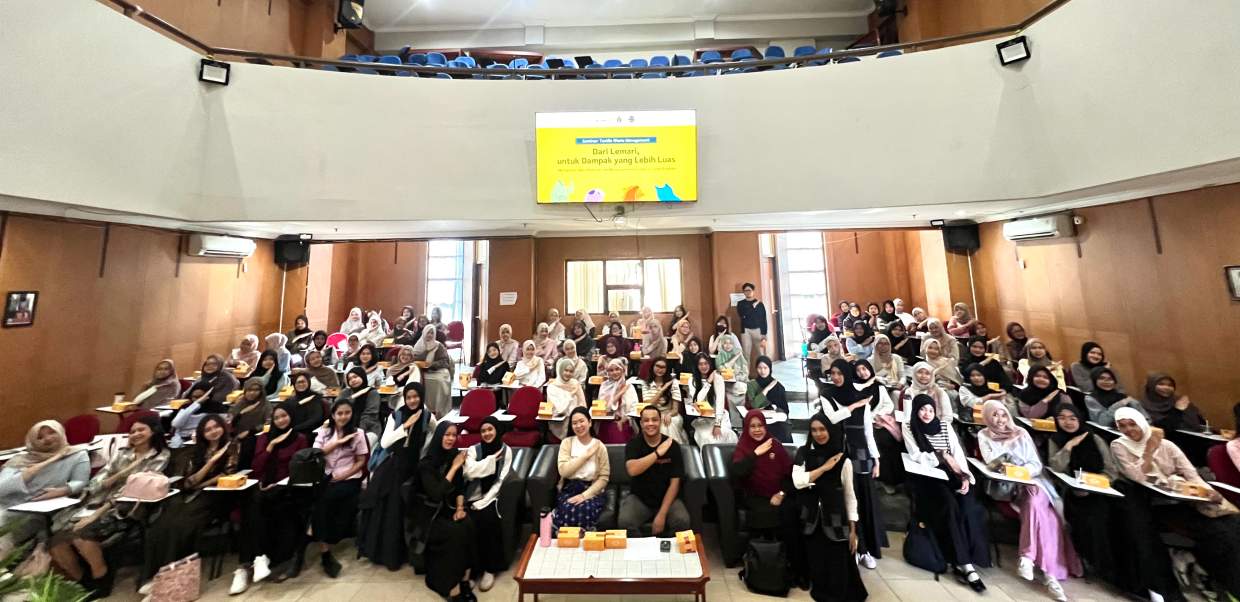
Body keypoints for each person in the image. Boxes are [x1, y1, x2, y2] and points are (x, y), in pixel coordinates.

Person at [1047, 403, 1183, 601]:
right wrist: (1068, 447)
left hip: (1106, 491)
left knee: (1129, 525)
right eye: (1062, 418)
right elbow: (1056, 468)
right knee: (1095, 522)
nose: (1067, 422)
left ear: (1080, 419)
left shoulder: (1094, 438)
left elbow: (1110, 470)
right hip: (1076, 494)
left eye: (1072, 418)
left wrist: (1097, 483)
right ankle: (1111, 574)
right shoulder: (1055, 440)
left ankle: (1146, 583)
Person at [1111, 408, 1240, 599]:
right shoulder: (1119, 446)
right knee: (1217, 533)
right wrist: (1149, 449)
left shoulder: (1167, 445)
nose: (1129, 430)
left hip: (1184, 501)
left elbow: (1190, 473)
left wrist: (1208, 492)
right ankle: (1223, 581)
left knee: (1232, 525)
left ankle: (1223, 579)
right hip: (1151, 504)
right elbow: (1137, 476)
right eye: (1122, 426)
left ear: (1142, 423)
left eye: (1132, 424)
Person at [48, 415, 169, 598]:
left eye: (141, 430)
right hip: (98, 501)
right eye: (132, 431)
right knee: (56, 542)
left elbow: (133, 489)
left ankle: (101, 577)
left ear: (153, 431)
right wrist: (105, 482)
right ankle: (82, 583)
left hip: (127, 507)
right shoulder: (123, 453)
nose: (136, 434)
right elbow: (100, 479)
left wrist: (96, 514)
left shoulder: (159, 455)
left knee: (81, 535)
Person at [977, 401, 1079, 600]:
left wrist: (1023, 471)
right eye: (995, 415)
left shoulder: (1021, 433)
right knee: (1049, 519)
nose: (1000, 420)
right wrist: (1009, 462)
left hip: (1033, 482)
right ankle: (1050, 577)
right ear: (988, 417)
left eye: (1003, 415)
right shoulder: (984, 435)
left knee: (1033, 498)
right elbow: (992, 462)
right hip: (1009, 486)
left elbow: (1035, 464)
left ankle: (1027, 557)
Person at [141, 415, 243, 591]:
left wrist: (200, 483)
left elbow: (226, 474)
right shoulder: (196, 451)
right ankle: (155, 575)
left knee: (183, 524)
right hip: (191, 494)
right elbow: (188, 482)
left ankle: (172, 578)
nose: (213, 432)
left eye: (216, 427)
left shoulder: (232, 446)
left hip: (216, 495)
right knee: (162, 523)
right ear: (202, 433)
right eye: (208, 429)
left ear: (223, 427)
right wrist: (210, 462)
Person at [902, 395, 989, 591]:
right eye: (922, 409)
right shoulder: (909, 426)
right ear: (916, 410)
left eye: (930, 410)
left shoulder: (944, 426)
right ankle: (965, 564)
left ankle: (966, 558)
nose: (926, 414)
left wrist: (964, 476)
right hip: (927, 476)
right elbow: (916, 455)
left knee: (968, 505)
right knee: (948, 505)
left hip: (952, 473)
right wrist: (941, 455)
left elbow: (957, 453)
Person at [359, 383, 437, 572]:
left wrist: (424, 454)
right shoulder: (397, 416)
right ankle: (390, 555)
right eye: (409, 397)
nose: (412, 400)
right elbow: (386, 442)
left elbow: (434, 433)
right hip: (394, 467)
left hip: (413, 468)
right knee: (392, 511)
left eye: (416, 397)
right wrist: (405, 426)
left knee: (408, 511)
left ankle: (409, 552)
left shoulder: (427, 416)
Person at [817, 359, 885, 568]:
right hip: (838, 452)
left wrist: (876, 459)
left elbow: (868, 432)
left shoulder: (860, 396)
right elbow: (833, 418)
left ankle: (864, 549)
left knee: (862, 500)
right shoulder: (827, 394)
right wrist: (853, 406)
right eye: (833, 373)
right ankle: (848, 546)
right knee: (845, 500)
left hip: (860, 453)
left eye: (840, 373)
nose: (836, 377)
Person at [792, 414, 867, 602]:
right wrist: (824, 468)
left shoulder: (842, 459)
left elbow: (850, 495)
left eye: (822, 429)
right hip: (811, 518)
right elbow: (798, 481)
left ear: (830, 430)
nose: (818, 434)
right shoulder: (804, 453)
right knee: (817, 558)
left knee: (837, 561)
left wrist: (853, 530)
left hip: (836, 519)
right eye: (814, 430)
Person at [414, 422, 476, 601]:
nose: (450, 439)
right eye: (447, 434)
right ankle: (453, 588)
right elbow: (436, 494)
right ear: (439, 436)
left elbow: (459, 486)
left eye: (453, 435)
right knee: (454, 534)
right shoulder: (426, 464)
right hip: (429, 514)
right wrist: (454, 467)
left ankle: (464, 581)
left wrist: (460, 508)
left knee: (468, 525)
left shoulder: (453, 455)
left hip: (448, 508)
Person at [0, 421, 90, 545]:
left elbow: (81, 481)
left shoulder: (78, 454)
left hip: (40, 509)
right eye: (40, 437)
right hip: (7, 504)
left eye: (52, 432)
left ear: (60, 431)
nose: (47, 439)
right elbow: (1, 489)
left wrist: (62, 491)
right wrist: (48, 461)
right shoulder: (20, 460)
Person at [731, 410, 802, 566]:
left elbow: (790, 474)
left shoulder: (774, 444)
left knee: (794, 511)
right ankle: (767, 564)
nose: (757, 430)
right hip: (755, 496)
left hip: (780, 494)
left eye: (760, 425)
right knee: (767, 513)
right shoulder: (743, 447)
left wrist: (781, 493)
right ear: (746, 428)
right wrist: (755, 453)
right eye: (753, 426)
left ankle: (794, 565)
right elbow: (737, 471)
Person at [312, 398, 369, 578]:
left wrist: (343, 476)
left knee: (327, 500)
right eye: (340, 413)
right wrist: (337, 442)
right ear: (333, 415)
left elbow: (361, 461)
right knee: (315, 502)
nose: (343, 417)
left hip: (348, 476)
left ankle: (324, 545)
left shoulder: (358, 433)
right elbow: (316, 454)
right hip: (325, 475)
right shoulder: (324, 432)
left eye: (347, 413)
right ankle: (325, 552)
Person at [621, 407, 691, 536]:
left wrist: (662, 514)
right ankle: (643, 548)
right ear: (641, 423)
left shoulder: (672, 445)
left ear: (660, 421)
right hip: (640, 499)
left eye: (654, 420)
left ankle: (667, 548)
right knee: (625, 521)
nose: (650, 423)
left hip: (667, 498)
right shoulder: (633, 444)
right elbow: (632, 470)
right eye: (646, 420)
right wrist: (657, 453)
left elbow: (675, 483)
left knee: (682, 520)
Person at [463, 417, 512, 592]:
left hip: (491, 497)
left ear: (497, 430)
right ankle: (471, 572)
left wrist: (484, 501)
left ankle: (489, 569)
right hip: (470, 496)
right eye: (483, 431)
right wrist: (491, 460)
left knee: (488, 520)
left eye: (490, 429)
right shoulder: (473, 449)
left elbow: (500, 480)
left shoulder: (506, 451)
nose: (487, 433)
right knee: (466, 524)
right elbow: (469, 473)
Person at [554, 408, 610, 531]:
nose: (578, 426)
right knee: (569, 507)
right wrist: (585, 456)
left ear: (590, 422)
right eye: (574, 423)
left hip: (591, 489)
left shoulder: (599, 446)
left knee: (584, 509)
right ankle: (566, 540)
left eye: (581, 421)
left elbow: (604, 478)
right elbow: (563, 471)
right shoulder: (566, 443)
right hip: (569, 488)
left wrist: (585, 495)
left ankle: (587, 540)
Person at [853, 360, 902, 490]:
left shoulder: (879, 386)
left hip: (879, 421)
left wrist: (877, 415)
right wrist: (869, 418)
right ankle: (876, 477)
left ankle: (890, 479)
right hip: (862, 424)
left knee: (889, 440)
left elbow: (889, 405)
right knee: (876, 440)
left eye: (864, 369)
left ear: (870, 369)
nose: (862, 373)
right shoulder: (855, 387)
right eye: (858, 370)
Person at [689, 354, 738, 445]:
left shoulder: (718, 378)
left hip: (719, 417)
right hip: (703, 418)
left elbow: (720, 402)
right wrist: (708, 382)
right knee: (706, 436)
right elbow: (698, 401)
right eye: (700, 364)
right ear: (696, 366)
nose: (704, 366)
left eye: (706, 363)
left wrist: (717, 424)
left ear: (710, 364)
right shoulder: (692, 380)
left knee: (723, 435)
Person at [745, 356, 790, 443]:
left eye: (765, 368)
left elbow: (784, 409)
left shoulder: (778, 386)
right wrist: (767, 389)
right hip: (757, 418)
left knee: (781, 427)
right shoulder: (751, 385)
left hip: (774, 418)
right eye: (759, 368)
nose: (762, 371)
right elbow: (754, 405)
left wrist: (775, 411)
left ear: (770, 368)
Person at [1140, 372, 1205, 431]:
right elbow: (1161, 429)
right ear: (1151, 386)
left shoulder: (1179, 401)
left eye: (1170, 385)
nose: (1166, 387)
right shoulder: (1142, 406)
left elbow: (1201, 424)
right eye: (1161, 384)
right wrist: (1177, 410)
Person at [169, 381, 224, 449]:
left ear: (208, 396)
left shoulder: (216, 408)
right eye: (194, 397)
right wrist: (196, 404)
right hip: (182, 441)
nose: (197, 399)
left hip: (205, 439)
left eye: (200, 397)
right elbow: (175, 424)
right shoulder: (186, 407)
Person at [230, 380, 272, 469]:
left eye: (256, 390)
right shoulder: (239, 404)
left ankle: (243, 471)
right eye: (249, 390)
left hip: (256, 436)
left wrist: (250, 431)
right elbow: (230, 422)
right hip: (236, 435)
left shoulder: (265, 405)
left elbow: (268, 423)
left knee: (248, 442)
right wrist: (241, 413)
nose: (252, 393)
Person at [645, 357, 688, 444]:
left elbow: (675, 409)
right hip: (653, 414)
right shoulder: (646, 384)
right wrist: (662, 389)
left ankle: (672, 448)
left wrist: (668, 414)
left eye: (663, 367)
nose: (660, 369)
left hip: (671, 414)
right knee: (659, 423)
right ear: (653, 367)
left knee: (668, 424)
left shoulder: (673, 383)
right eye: (657, 366)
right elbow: (648, 406)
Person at [595, 358, 637, 444]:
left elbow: (634, 408)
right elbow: (604, 408)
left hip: (624, 421)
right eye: (611, 370)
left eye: (617, 369)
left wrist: (623, 420)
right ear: (608, 372)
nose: (614, 372)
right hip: (606, 422)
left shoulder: (629, 386)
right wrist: (620, 393)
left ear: (622, 370)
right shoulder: (604, 386)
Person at [338, 366, 382, 445]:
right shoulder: (346, 392)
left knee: (358, 445)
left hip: (369, 428)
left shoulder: (372, 393)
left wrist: (356, 432)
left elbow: (370, 416)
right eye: (350, 379)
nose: (353, 380)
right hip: (345, 427)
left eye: (355, 377)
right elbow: (336, 408)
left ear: (362, 376)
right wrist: (352, 397)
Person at [546, 358, 587, 440]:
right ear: (561, 370)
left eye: (571, 371)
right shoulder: (552, 387)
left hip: (576, 420)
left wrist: (579, 417)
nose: (568, 373)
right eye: (566, 370)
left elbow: (583, 405)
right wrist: (571, 394)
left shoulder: (575, 384)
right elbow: (560, 409)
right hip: (560, 421)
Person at [714, 333, 749, 421]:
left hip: (738, 382)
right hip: (725, 384)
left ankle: (741, 420)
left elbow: (745, 371)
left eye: (730, 343)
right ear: (722, 344)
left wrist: (737, 378)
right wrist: (735, 357)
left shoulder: (739, 355)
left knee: (742, 388)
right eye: (725, 343)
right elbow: (722, 369)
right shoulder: (720, 356)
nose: (728, 345)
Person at [736, 283, 768, 372]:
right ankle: (746, 376)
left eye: (749, 290)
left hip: (758, 330)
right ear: (743, 292)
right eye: (745, 290)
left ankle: (765, 374)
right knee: (746, 355)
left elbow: (763, 320)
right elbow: (742, 315)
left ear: (753, 291)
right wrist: (753, 306)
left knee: (761, 354)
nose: (748, 292)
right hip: (746, 331)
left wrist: (764, 336)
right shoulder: (740, 303)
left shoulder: (760, 304)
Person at [287, 372, 327, 437]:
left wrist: (294, 428)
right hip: (292, 432)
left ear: (308, 383)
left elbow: (315, 419)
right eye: (298, 382)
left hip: (310, 433)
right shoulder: (290, 400)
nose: (301, 384)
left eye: (303, 382)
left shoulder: (315, 398)